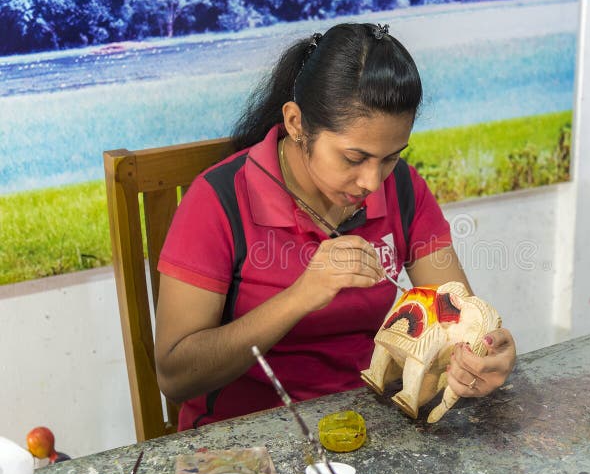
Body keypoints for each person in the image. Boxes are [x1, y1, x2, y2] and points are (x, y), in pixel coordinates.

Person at [155, 22, 517, 430]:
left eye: (391, 157)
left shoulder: (402, 189)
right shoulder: (219, 200)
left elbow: (455, 315)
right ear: (296, 123)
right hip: (248, 440)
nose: (372, 182)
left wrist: (482, 353)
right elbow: (175, 377)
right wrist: (302, 295)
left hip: (374, 422)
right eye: (353, 158)